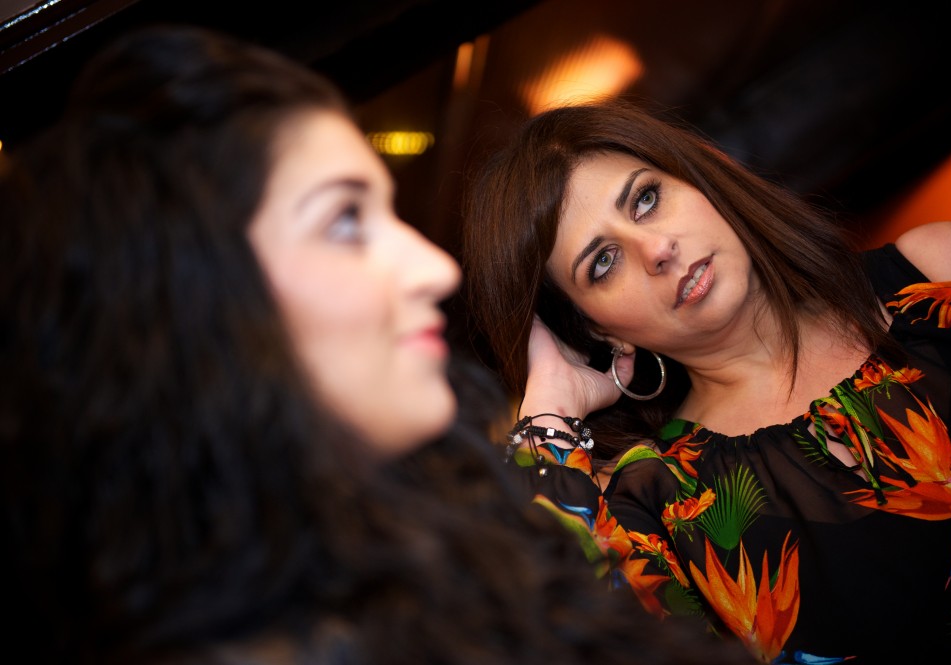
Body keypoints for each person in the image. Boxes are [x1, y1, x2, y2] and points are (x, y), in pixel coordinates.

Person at [0, 26, 755, 665]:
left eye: (388, 216)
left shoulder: (421, 565)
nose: (434, 269)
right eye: (344, 222)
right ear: (198, 309)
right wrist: (551, 415)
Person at [461, 98, 951, 664]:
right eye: (603, 262)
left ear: (702, 178)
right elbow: (549, 628)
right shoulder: (659, 506)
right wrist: (548, 410)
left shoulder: (943, 276)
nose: (657, 250)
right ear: (597, 329)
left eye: (646, 199)